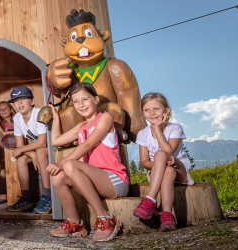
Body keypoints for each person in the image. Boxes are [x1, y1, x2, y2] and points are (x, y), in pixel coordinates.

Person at [47, 82, 129, 242]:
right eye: (76, 101)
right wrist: (55, 118)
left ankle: (105, 218)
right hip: (94, 182)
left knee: (68, 165)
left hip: (115, 181)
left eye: (85, 99)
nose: (80, 105)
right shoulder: (81, 127)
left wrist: (61, 163)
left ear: (96, 99)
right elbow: (56, 141)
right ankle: (75, 223)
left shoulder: (105, 118)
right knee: (57, 177)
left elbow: (89, 144)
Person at [132, 92, 192, 232]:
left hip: (180, 168)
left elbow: (169, 151)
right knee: (167, 170)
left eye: (156, 109)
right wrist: (161, 165)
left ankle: (150, 199)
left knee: (161, 154)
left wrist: (157, 129)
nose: (152, 113)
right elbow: (145, 162)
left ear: (167, 110)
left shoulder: (175, 128)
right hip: (159, 172)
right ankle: (167, 216)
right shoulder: (142, 134)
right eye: (147, 110)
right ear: (143, 113)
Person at [7, 86, 52, 214]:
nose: (19, 103)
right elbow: (19, 145)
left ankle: (48, 196)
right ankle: (26, 198)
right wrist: (31, 154)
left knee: (40, 151)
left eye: (23, 99)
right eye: (16, 101)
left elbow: (43, 142)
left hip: (52, 148)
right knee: (20, 158)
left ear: (32, 101)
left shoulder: (39, 113)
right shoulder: (17, 118)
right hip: (37, 150)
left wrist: (32, 152)